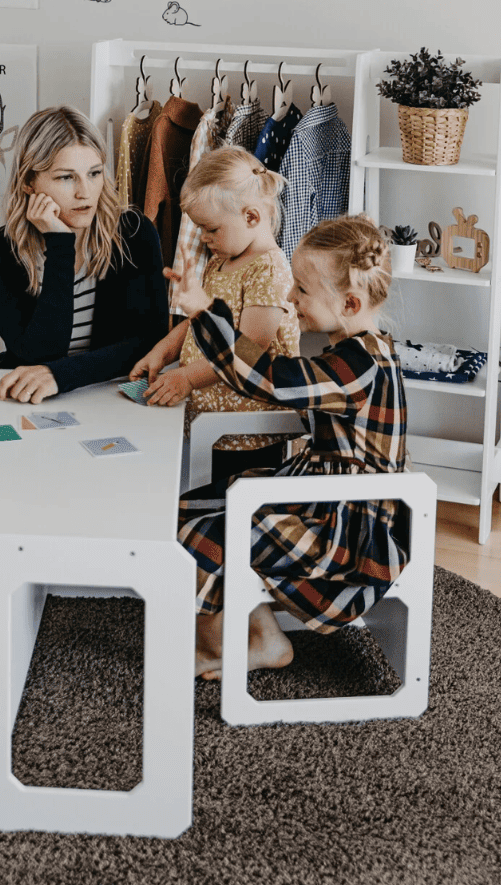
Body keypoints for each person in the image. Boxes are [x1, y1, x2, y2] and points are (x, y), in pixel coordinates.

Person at [172, 214, 410, 680]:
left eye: (302, 290)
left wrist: (205, 313)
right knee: (189, 509)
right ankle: (264, 635)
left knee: (203, 537)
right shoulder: (363, 351)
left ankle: (222, 644)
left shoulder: (360, 365)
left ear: (350, 302)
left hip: (344, 533)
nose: (290, 297)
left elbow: (272, 379)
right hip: (321, 497)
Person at [0, 106, 168, 403]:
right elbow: (38, 355)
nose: (85, 192)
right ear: (28, 182)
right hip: (35, 396)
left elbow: (150, 341)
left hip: (105, 391)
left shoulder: (133, 234)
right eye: (66, 178)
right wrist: (60, 244)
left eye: (94, 173)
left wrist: (62, 376)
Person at [129, 147, 300, 478]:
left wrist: (188, 377)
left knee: (230, 502)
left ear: (251, 217)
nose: (204, 238)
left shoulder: (269, 270)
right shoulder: (219, 262)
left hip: (248, 432)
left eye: (212, 229)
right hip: (211, 423)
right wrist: (163, 350)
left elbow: (249, 350)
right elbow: (200, 323)